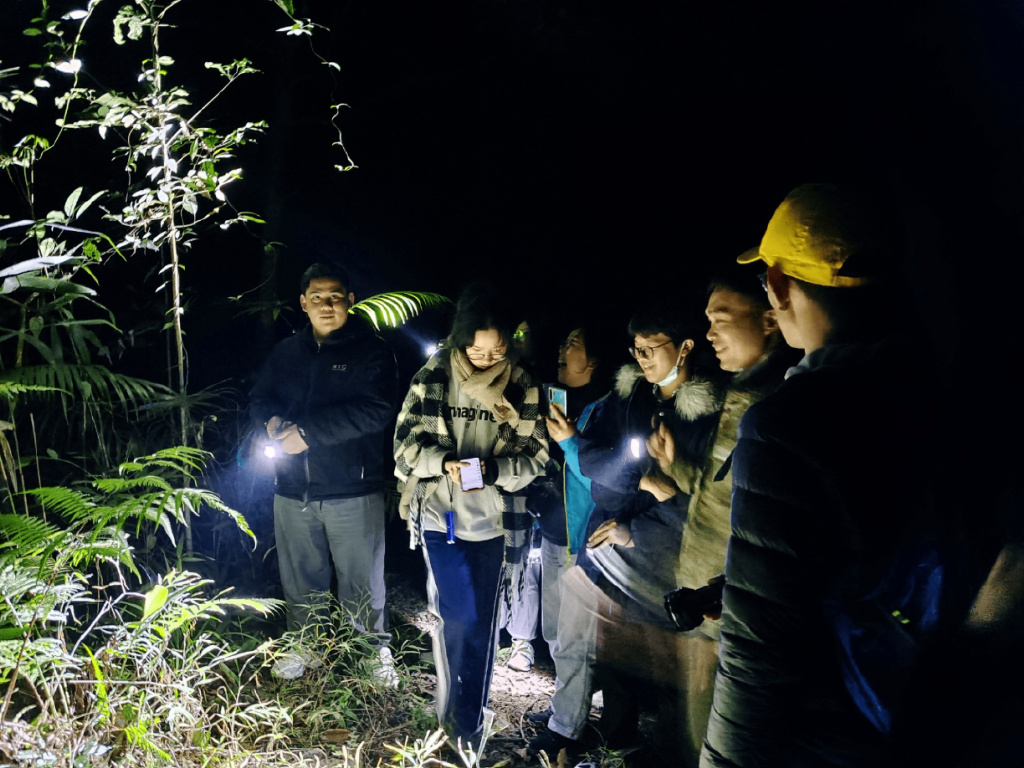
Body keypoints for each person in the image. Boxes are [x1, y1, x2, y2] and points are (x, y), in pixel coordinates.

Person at [700, 184, 965, 767]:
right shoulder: (946, 392)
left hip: (828, 733)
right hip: (936, 716)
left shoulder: (788, 425)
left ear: (777, 286)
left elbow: (757, 653)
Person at [529, 305, 720, 761]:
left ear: (685, 347)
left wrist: (637, 523)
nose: (641, 358)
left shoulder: (707, 414)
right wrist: (636, 477)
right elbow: (596, 465)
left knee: (659, 656)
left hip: (666, 551)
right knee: (601, 634)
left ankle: (634, 740)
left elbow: (692, 499)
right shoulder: (631, 396)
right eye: (636, 349)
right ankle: (593, 733)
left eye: (651, 348)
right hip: (613, 531)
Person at [393, 283, 549, 751]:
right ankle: (455, 713)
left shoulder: (522, 384)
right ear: (461, 341)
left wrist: (496, 470)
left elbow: (537, 458)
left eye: (498, 348)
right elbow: (403, 450)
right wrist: (444, 463)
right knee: (459, 616)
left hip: (499, 522)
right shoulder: (434, 375)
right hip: (442, 517)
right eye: (478, 348)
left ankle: (470, 721)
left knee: (485, 622)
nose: (487, 357)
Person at [650, 264, 794, 766]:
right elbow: (718, 489)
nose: (709, 333)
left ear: (771, 319)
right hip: (703, 597)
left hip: (732, 612)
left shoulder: (780, 406)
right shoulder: (741, 394)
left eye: (720, 319)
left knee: (719, 740)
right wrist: (677, 466)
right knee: (693, 731)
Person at [250, 262, 398, 684]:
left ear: (349, 300)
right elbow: (260, 397)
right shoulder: (287, 352)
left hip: (353, 485)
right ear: (303, 303)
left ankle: (370, 650)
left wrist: (310, 434)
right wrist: (271, 421)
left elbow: (377, 409)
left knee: (361, 578)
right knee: (301, 574)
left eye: (335, 296)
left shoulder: (371, 350)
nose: (326, 305)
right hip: (292, 486)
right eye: (316, 297)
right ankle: (307, 642)